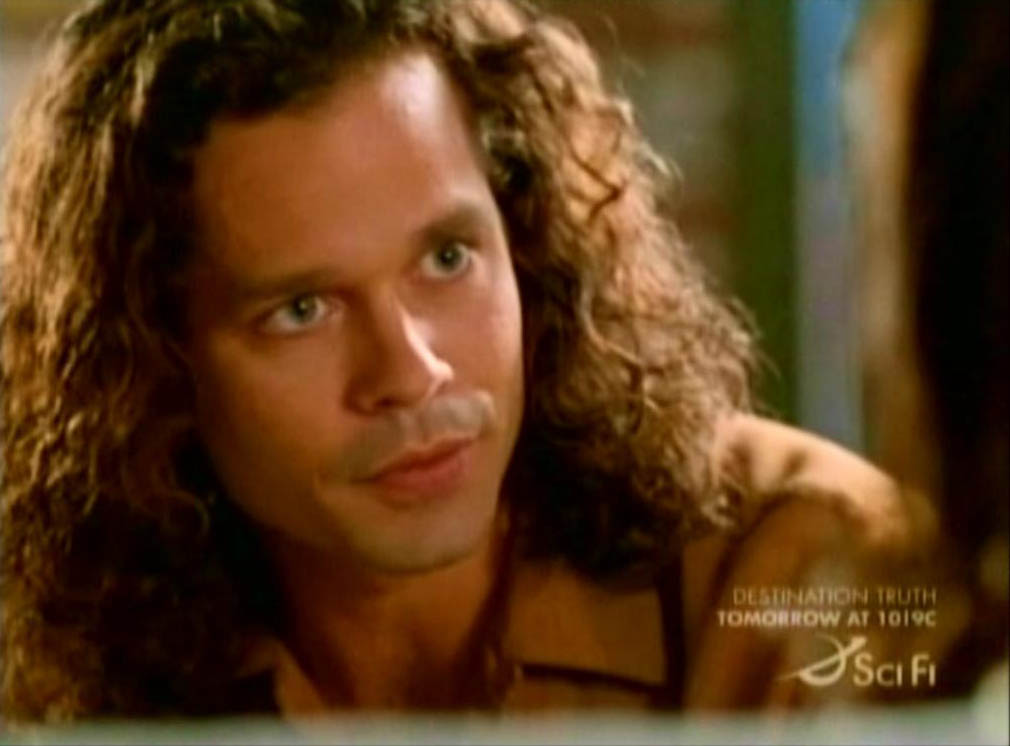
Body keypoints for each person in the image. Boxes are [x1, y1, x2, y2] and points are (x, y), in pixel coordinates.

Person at [0, 0, 912, 721]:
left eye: (446, 259)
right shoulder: (63, 657)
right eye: (301, 311)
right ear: (154, 363)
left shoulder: (808, 572)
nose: (411, 371)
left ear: (525, 239)